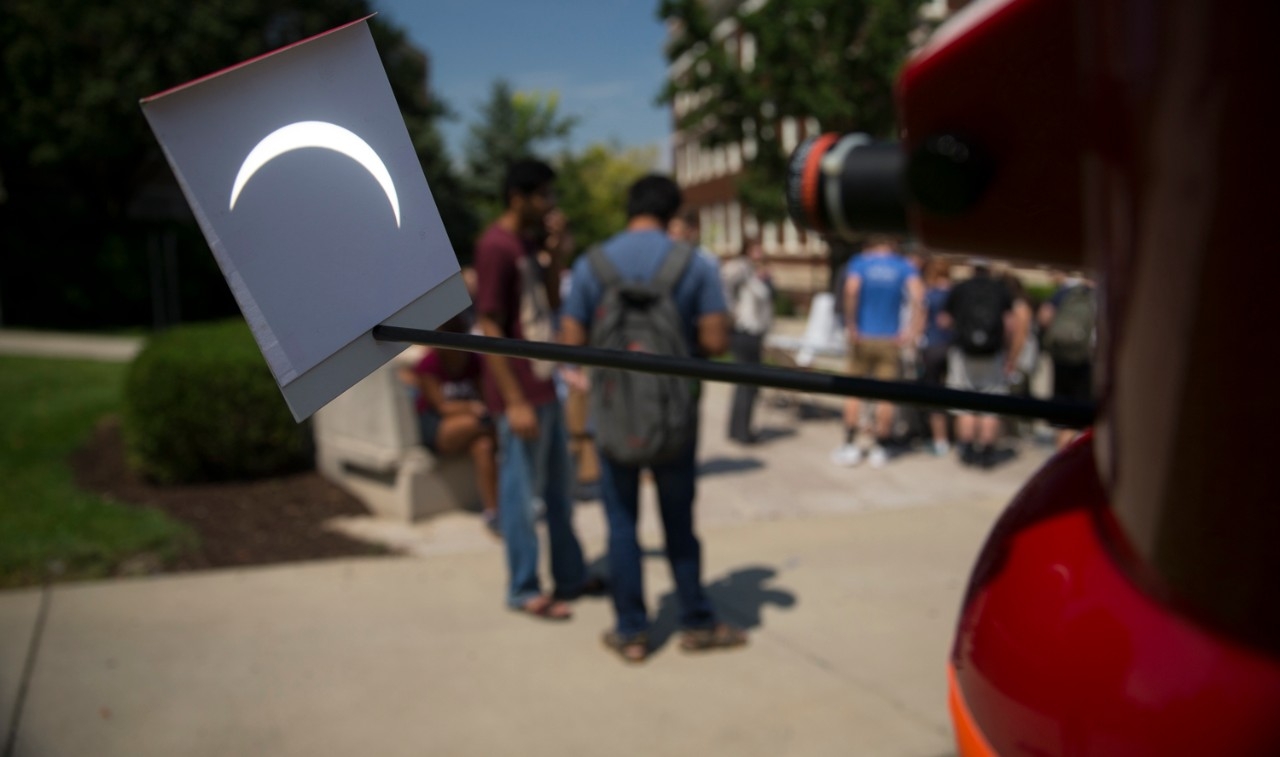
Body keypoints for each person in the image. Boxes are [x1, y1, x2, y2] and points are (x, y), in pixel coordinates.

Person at [561, 174, 746, 663]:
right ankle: (696, 622)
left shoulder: (591, 264)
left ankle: (631, 632)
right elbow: (714, 343)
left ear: (629, 208)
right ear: (672, 212)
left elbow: (570, 339)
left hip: (613, 416)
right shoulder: (695, 265)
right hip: (674, 419)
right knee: (679, 523)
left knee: (621, 526)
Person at [472, 158, 600, 621]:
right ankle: (524, 588)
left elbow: (548, 302)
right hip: (520, 394)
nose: (550, 204)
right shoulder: (495, 246)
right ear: (518, 196)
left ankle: (570, 576)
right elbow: (488, 325)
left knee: (561, 493)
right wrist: (514, 400)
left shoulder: (526, 244)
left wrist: (556, 251)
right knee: (522, 498)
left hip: (545, 385)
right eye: (543, 195)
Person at [830, 235, 924, 468]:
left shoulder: (861, 262)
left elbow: (851, 291)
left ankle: (851, 444)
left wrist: (851, 324)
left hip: (862, 336)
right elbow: (919, 296)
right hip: (889, 338)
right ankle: (880, 446)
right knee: (886, 395)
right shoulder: (902, 265)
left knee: (852, 390)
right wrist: (911, 331)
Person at [412, 314, 499, 535]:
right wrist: (471, 407)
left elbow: (485, 396)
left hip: (473, 427)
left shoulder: (473, 361)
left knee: (484, 446)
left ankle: (493, 512)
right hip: (439, 428)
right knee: (482, 423)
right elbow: (441, 406)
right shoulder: (428, 364)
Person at [942, 259, 1022, 468]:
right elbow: (1010, 324)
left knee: (964, 403)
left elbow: (945, 320)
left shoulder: (961, 288)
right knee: (990, 404)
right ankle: (986, 451)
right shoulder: (1000, 289)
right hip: (992, 353)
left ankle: (967, 449)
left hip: (963, 352)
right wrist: (1010, 355)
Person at [720, 237, 773, 444]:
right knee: (748, 382)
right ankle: (742, 431)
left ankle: (738, 428)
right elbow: (724, 284)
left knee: (744, 383)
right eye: (755, 248)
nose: (759, 252)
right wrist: (731, 313)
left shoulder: (754, 270)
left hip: (753, 331)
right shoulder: (741, 268)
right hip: (745, 330)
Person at [1039, 272, 1097, 449]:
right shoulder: (1103, 296)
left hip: (1061, 353)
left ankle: (1061, 451)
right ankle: (1071, 451)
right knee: (1080, 410)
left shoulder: (1067, 292)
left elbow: (1044, 315)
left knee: (1062, 408)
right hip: (1087, 358)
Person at [919, 257, 954, 456]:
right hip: (953, 348)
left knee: (934, 394)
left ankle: (940, 440)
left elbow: (921, 321)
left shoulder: (929, 293)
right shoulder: (955, 292)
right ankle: (955, 436)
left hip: (932, 347)